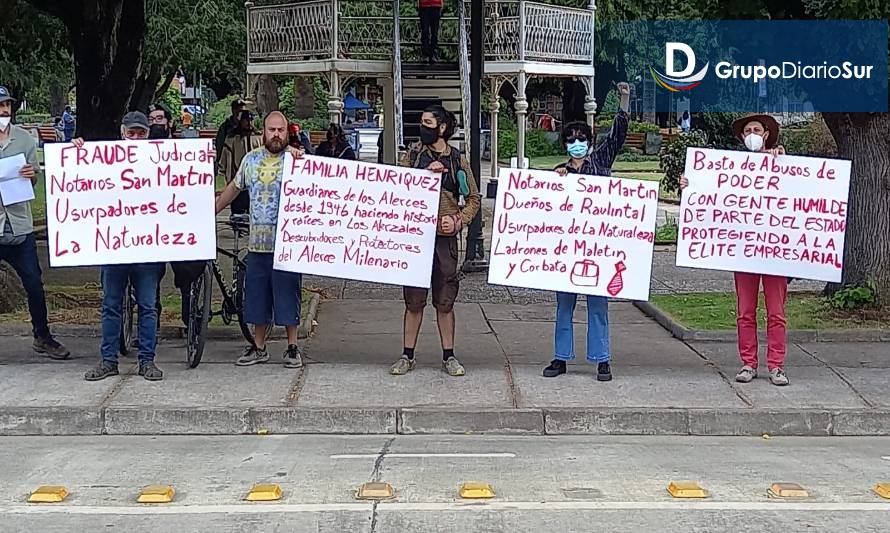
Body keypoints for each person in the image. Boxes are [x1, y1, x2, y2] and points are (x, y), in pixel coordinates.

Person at [680, 113, 789, 386]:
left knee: (776, 312)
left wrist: (782, 159)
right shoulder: (729, 168)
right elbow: (710, 194)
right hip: (744, 251)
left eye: (757, 129)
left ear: (766, 135)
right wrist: (690, 184)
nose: (752, 133)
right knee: (745, 311)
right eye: (748, 130)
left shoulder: (781, 163)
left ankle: (776, 365)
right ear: (742, 137)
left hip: (775, 252)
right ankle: (748, 363)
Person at [543, 82, 631, 382]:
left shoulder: (601, 161)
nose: (576, 143)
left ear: (590, 141)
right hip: (567, 250)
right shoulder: (559, 172)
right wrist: (558, 179)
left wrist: (624, 101)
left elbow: (617, 137)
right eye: (571, 139)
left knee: (597, 306)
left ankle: (602, 359)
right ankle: (560, 357)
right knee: (564, 305)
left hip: (597, 248)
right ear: (565, 144)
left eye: (581, 138)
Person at [390, 105, 481, 377]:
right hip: (417, 239)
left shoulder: (457, 161)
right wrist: (423, 175)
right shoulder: (413, 156)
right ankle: (407, 355)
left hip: (445, 242)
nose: (423, 127)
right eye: (421, 122)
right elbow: (397, 186)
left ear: (442, 127)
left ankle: (449, 356)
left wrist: (457, 221)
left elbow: (473, 198)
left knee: (445, 300)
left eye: (428, 123)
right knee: (413, 300)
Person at [215, 111, 305, 368]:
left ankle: (292, 347)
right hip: (257, 242)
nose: (276, 134)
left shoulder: (296, 161)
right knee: (256, 295)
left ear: (287, 132)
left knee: (288, 293)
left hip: (287, 244)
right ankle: (259, 346)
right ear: (263, 131)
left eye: (281, 130)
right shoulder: (250, 160)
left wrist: (300, 155)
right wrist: (214, 208)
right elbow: (234, 187)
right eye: (271, 129)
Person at [80, 111, 164, 381]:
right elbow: (81, 182)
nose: (136, 138)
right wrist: (76, 154)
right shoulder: (105, 161)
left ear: (148, 134)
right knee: (111, 304)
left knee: (148, 305)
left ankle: (147, 361)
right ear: (122, 132)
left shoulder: (162, 161)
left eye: (141, 133)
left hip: (148, 247)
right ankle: (108, 360)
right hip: (114, 246)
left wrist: (202, 163)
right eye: (131, 133)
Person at [0, 86, 70, 360]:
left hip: (19, 226)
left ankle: (42, 336)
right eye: (0, 106)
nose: (4, 110)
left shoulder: (25, 139)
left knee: (34, 284)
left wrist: (31, 175)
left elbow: (34, 178)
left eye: (7, 105)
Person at [147, 102, 205, 327]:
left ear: (169, 122)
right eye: (151, 120)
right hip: (149, 223)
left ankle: (189, 314)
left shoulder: (185, 151)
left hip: (179, 222)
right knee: (151, 276)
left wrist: (205, 159)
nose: (155, 123)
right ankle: (152, 319)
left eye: (159, 118)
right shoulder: (136, 153)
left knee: (186, 272)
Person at [218, 110, 262, 215]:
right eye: (246, 120)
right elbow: (226, 155)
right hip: (237, 179)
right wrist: (223, 169)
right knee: (237, 212)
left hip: (255, 180)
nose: (249, 122)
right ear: (241, 121)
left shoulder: (258, 137)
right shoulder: (232, 138)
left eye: (250, 119)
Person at [214, 98, 247, 170]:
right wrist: (219, 161)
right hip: (230, 160)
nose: (240, 113)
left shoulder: (247, 126)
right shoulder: (225, 127)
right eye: (238, 110)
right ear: (233, 110)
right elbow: (220, 144)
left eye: (242, 111)